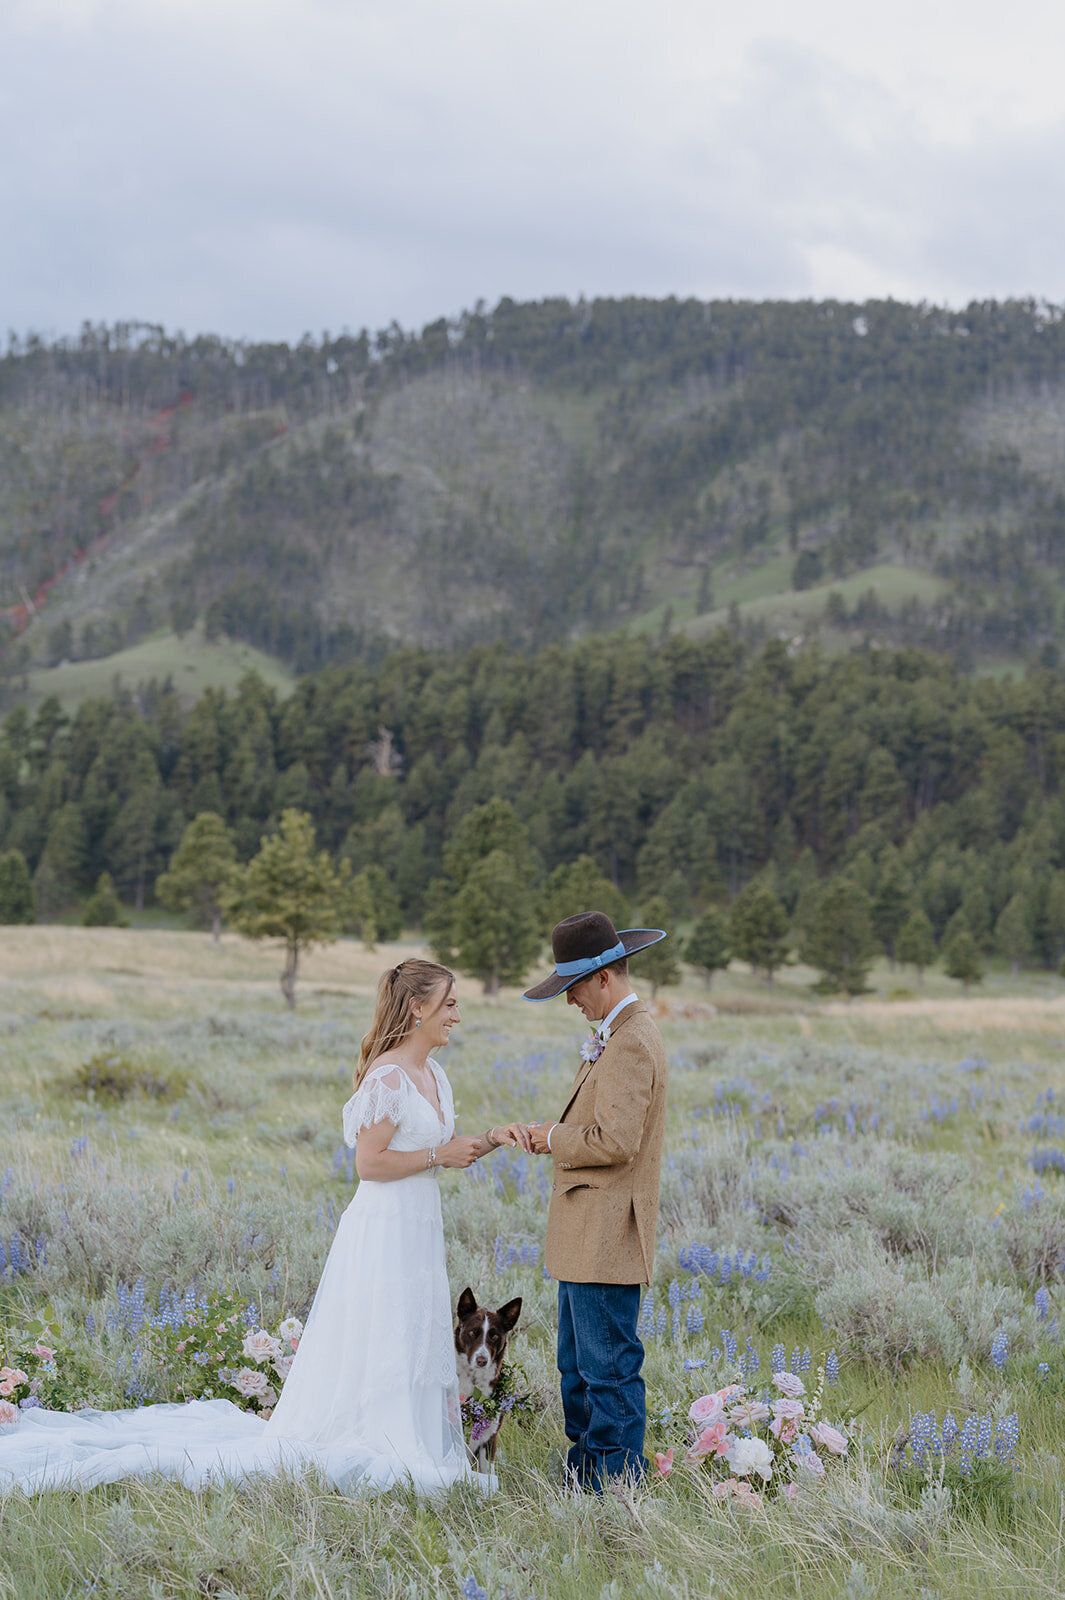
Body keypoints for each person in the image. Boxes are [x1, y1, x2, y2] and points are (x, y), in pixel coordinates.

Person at [0, 958, 529, 1495]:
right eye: (451, 1004)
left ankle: (409, 1439)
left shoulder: (434, 1074)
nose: (458, 1015)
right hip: (384, 1228)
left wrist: (489, 1139)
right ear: (418, 1008)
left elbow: (438, 1151)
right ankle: (377, 1442)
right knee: (383, 1330)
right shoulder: (389, 1075)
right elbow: (370, 1165)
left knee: (413, 1333)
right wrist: (440, 1152)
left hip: (419, 1226)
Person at [523, 911, 669, 1491]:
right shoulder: (619, 1034)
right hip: (588, 1234)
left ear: (604, 976)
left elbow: (616, 1141)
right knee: (579, 1369)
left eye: (574, 986)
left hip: (608, 1233)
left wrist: (551, 1138)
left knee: (607, 1369)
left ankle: (614, 1489)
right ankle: (585, 1477)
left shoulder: (631, 1040)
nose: (570, 1000)